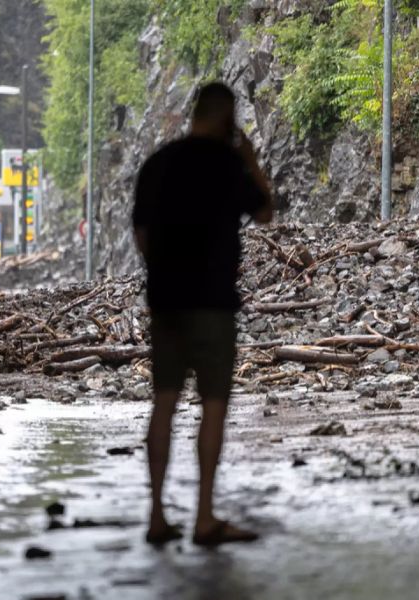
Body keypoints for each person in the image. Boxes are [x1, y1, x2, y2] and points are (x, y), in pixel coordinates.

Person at [132, 82, 274, 547]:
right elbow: (266, 213)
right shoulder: (228, 165)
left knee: (165, 403)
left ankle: (156, 516)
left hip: (166, 300)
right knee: (212, 407)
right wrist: (250, 157)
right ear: (228, 118)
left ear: (195, 113)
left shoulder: (158, 164)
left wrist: (164, 276)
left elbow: (142, 236)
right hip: (212, 301)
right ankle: (205, 517)